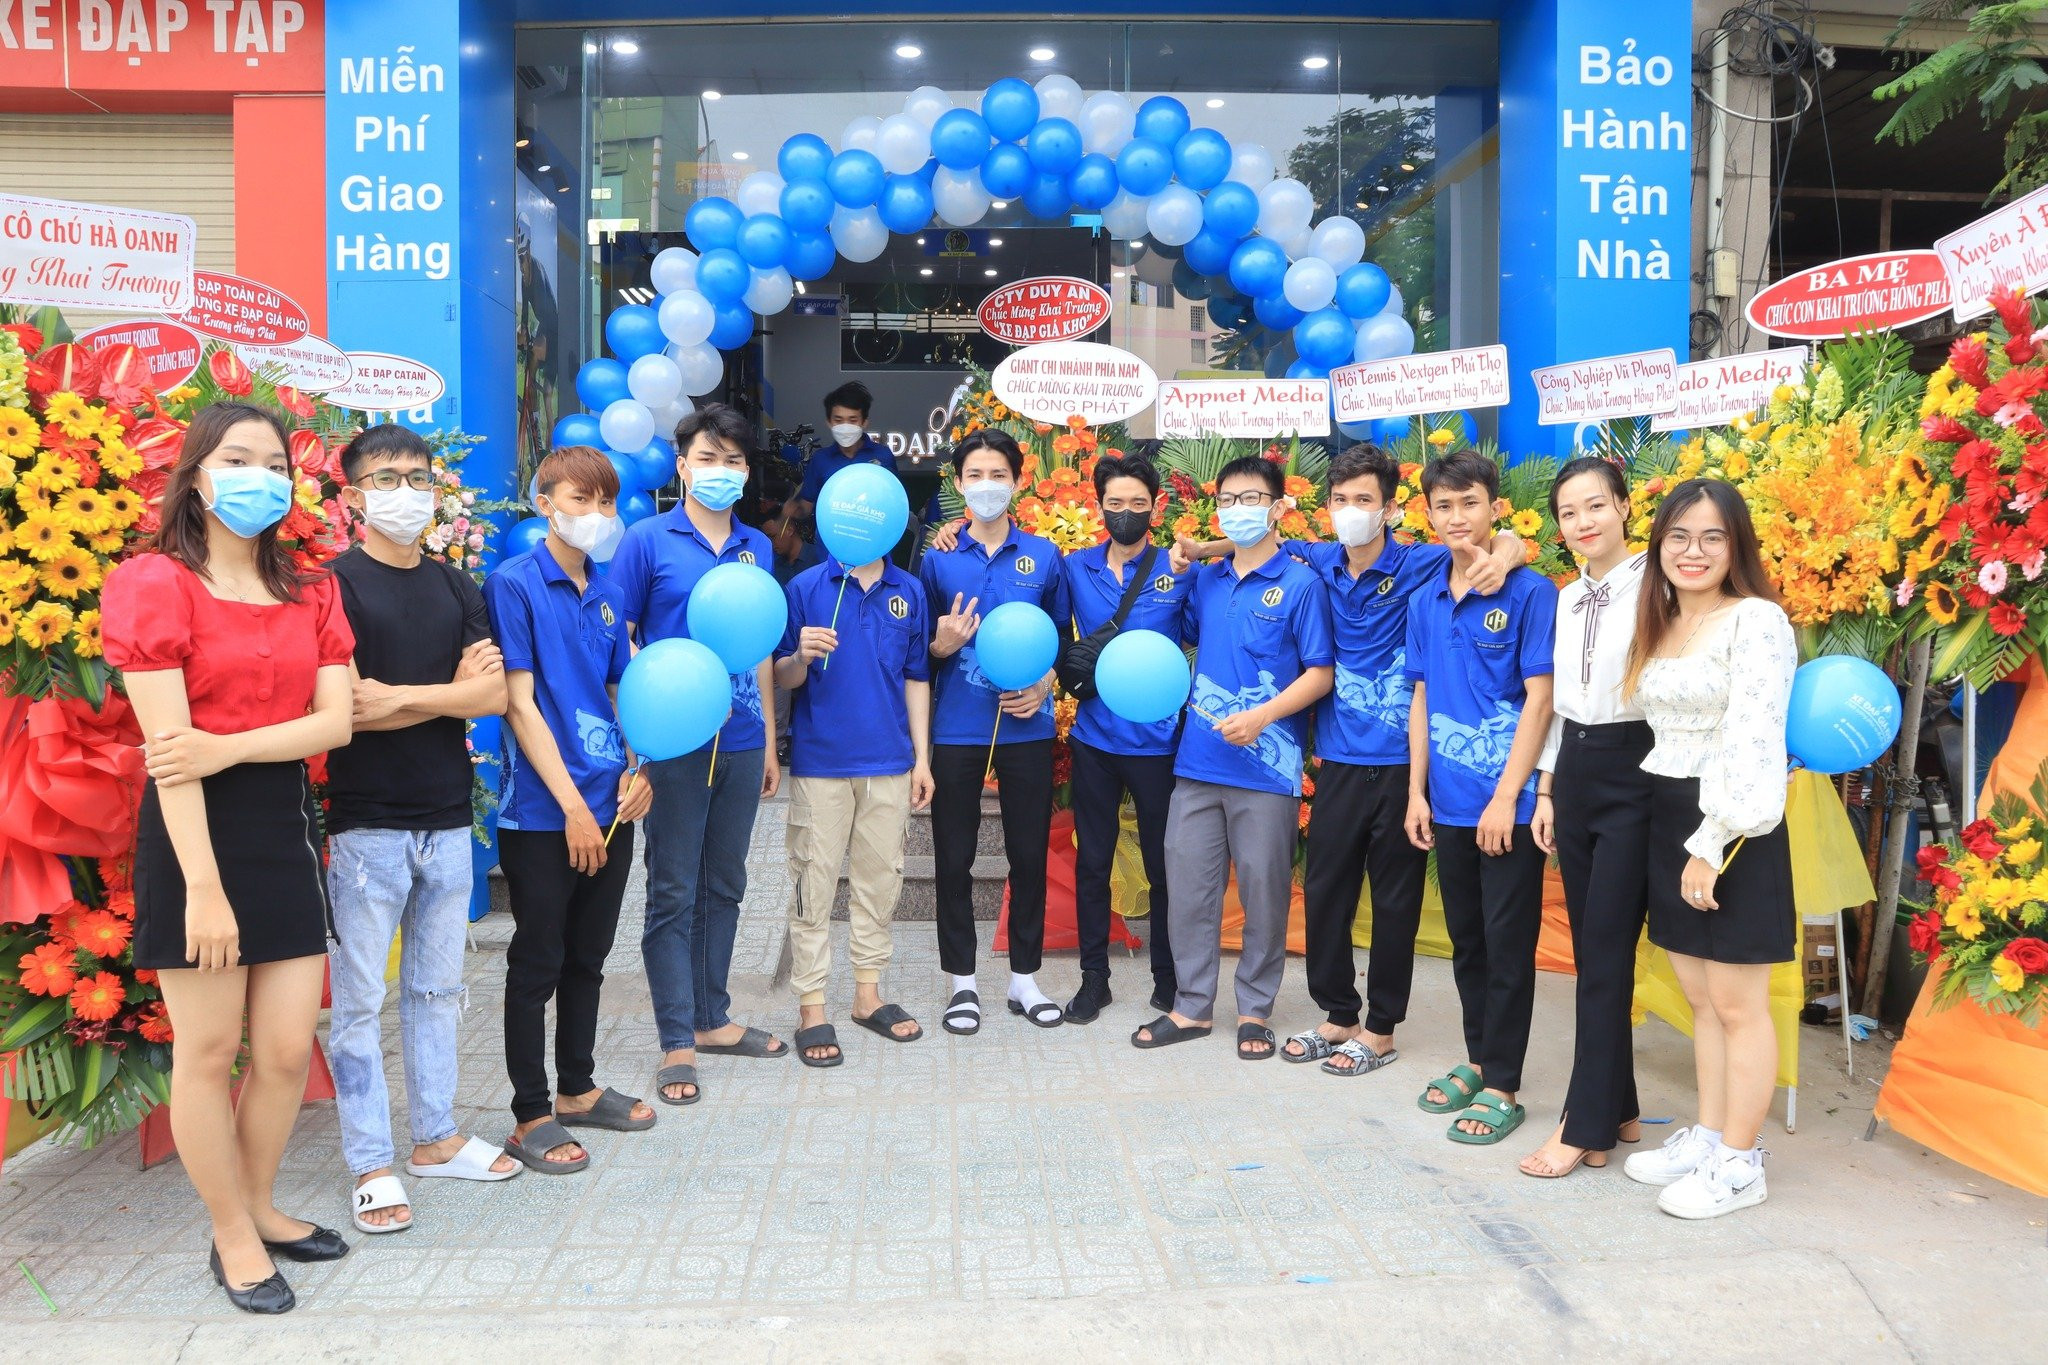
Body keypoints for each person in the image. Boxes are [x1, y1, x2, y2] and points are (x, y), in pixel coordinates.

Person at [102, 401, 358, 1313]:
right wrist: (203, 891)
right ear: (197, 475)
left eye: (277, 463)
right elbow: (173, 758)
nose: (262, 477)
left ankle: (261, 1202)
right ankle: (232, 1232)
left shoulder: (311, 591)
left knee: (285, 1050)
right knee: (209, 1051)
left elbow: (336, 721)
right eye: (239, 459)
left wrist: (229, 747)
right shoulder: (154, 584)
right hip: (192, 840)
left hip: (282, 827)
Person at [1245, 447, 1524, 1076]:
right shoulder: (1320, 559)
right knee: (1325, 890)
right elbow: (1260, 543)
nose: (1351, 511)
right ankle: (1338, 1013)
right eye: (1340, 500)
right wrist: (1196, 548)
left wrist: (1507, 552)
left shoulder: (1422, 561)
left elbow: (1496, 543)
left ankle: (1379, 1029)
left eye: (1364, 500)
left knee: (1396, 901)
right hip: (1339, 759)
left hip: (1404, 765)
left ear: (1392, 509)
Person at [326, 426, 520, 1234]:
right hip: (365, 824)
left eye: (417, 477)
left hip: (445, 818)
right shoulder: (333, 587)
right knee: (359, 1002)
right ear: (352, 495)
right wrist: (447, 694)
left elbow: (492, 697)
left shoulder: (453, 584)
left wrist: (400, 697)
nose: (405, 492)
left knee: (437, 990)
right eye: (386, 478)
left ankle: (436, 1137)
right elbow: (343, 709)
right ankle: (371, 1160)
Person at [1619, 479, 1797, 1219]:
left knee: (1738, 1003)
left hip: (1730, 823)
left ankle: (1741, 1162)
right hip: (1668, 810)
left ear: (1736, 546)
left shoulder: (1755, 620)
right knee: (1700, 998)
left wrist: (1711, 840)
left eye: (1712, 537)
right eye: (1679, 536)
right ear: (1659, 544)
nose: (1693, 551)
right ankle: (1713, 1135)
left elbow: (1753, 738)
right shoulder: (1662, 620)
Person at [610, 404, 788, 1108]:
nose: (722, 471)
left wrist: (767, 737)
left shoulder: (757, 546)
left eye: (734, 461)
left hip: (740, 738)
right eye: (708, 458)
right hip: (673, 741)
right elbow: (620, 643)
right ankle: (676, 1037)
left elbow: (760, 646)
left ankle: (714, 1017)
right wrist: (636, 751)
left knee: (726, 883)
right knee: (673, 888)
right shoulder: (646, 541)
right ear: (682, 466)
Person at [486, 445, 657, 1174]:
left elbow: (625, 692)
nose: (596, 514)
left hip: (611, 803)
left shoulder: (610, 592)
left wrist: (640, 769)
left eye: (606, 501)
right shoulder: (514, 584)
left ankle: (578, 1088)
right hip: (541, 811)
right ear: (544, 502)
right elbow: (520, 705)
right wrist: (571, 809)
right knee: (538, 959)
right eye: (581, 499)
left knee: (589, 955)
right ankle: (530, 1112)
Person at [1133, 456, 1333, 1059]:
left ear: (1277, 508)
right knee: (1189, 889)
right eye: (1227, 499)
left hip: (1267, 770)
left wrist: (1263, 716)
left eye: (1251, 499)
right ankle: (1192, 1006)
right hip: (1197, 763)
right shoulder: (1207, 578)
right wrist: (1185, 561)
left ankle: (1254, 1009)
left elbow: (1320, 673)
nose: (1237, 509)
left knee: (1264, 894)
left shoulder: (1301, 583)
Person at [1403, 449, 1557, 1145]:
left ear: (1496, 507)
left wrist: (1507, 797)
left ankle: (1503, 1084)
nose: (1457, 516)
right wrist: (1417, 792)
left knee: (1507, 945)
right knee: (1467, 942)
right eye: (1444, 505)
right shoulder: (1425, 598)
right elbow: (1421, 696)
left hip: (1508, 810)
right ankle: (1478, 1058)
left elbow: (1541, 700)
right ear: (1429, 515)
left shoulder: (1531, 593)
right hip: (1448, 802)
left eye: (1470, 502)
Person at [1523, 457, 1651, 1177]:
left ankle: (1585, 1120)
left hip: (1638, 768)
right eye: (1568, 513)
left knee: (1604, 951)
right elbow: (1559, 704)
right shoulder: (1567, 596)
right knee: (1594, 950)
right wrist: (1546, 788)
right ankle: (1620, 1105)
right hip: (1574, 768)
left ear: (1624, 506)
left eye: (1596, 505)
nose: (1583, 522)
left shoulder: (1660, 584)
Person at [919, 428, 1070, 1033]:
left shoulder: (1044, 555)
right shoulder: (937, 557)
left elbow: (1062, 640)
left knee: (1028, 855)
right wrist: (940, 645)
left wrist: (1045, 685)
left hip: (1026, 727)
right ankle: (961, 982)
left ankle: (1024, 979)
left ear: (1018, 480)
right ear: (958, 484)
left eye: (998, 475)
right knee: (953, 857)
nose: (987, 485)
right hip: (957, 727)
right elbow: (917, 653)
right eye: (975, 475)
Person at [773, 542, 936, 1064]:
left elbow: (916, 678)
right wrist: (800, 656)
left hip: (889, 762)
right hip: (821, 763)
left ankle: (868, 996)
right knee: (813, 883)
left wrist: (922, 759)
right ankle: (812, 1008)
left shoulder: (909, 589)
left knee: (880, 881)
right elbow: (782, 675)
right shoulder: (805, 586)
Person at [1058, 454, 1191, 1022]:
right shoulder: (1075, 568)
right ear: (1099, 507)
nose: (1126, 512)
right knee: (1093, 862)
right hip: (1095, 739)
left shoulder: (1178, 570)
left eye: (1138, 503)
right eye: (1115, 503)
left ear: (1155, 508)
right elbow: (1051, 632)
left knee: (1164, 866)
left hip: (1158, 744)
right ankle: (1095, 979)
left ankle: (1168, 977)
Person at [791, 381, 897, 523]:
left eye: (852, 420)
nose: (845, 427)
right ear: (829, 422)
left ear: (864, 422)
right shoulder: (820, 459)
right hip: (831, 535)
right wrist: (793, 510)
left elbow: (894, 501)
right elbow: (807, 505)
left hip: (872, 534)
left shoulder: (883, 456)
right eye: (838, 420)